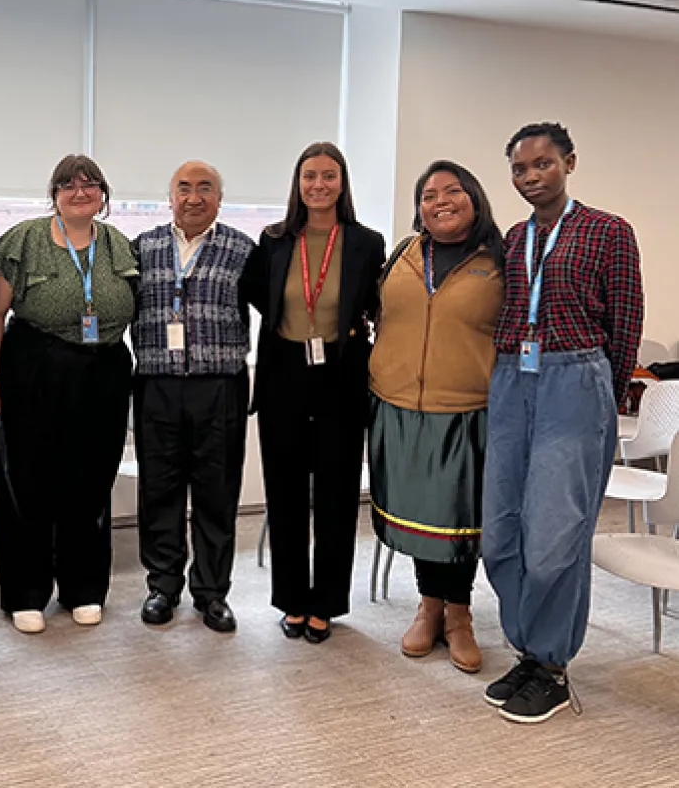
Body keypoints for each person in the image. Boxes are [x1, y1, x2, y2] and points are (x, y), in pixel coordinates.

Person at [481, 122, 643, 723]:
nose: (529, 178)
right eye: (519, 170)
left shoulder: (607, 231)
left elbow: (626, 322)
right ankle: (527, 649)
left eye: (541, 164)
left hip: (574, 382)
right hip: (510, 379)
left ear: (569, 163)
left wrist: (605, 394)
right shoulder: (514, 236)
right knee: (499, 530)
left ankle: (551, 664)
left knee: (554, 535)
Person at [0, 154, 137, 634]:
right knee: (28, 483)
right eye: (68, 185)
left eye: (90, 185)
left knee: (91, 482)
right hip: (35, 367)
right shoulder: (24, 240)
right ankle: (25, 592)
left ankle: (84, 587)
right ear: (53, 194)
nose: (79, 193)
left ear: (103, 196)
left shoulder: (119, 245)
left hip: (105, 371)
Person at [243, 142, 385, 643]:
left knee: (336, 493)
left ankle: (326, 601)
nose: (318, 185)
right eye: (309, 176)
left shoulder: (367, 243)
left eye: (328, 176)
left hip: (340, 375)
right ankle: (292, 601)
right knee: (283, 493)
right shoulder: (275, 239)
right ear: (297, 184)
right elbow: (259, 295)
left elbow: (376, 308)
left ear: (342, 183)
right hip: (283, 371)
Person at [368, 160, 504, 673]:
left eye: (453, 191)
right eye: (429, 194)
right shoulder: (403, 254)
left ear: (474, 197)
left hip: (466, 408)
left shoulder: (500, 259)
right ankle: (428, 606)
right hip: (399, 404)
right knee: (421, 515)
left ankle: (460, 616)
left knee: (458, 519)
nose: (440, 201)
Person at [132, 161, 253, 633]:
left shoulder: (243, 250)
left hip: (218, 386)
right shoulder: (142, 248)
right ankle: (162, 586)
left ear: (219, 199)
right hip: (157, 385)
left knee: (216, 493)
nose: (194, 197)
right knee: (159, 489)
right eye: (185, 188)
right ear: (170, 197)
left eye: (206, 189)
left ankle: (211, 592)